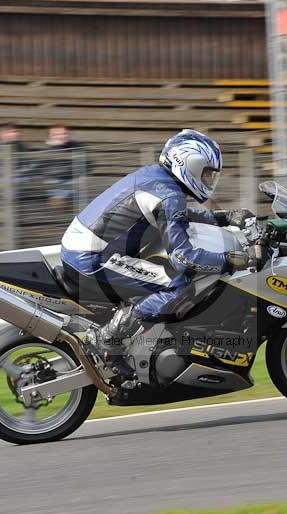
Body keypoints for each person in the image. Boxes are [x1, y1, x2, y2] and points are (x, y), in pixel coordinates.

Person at [60, 129, 253, 379]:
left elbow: (178, 216)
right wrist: (229, 260)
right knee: (180, 284)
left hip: (82, 249)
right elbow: (185, 258)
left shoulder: (157, 178)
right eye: (206, 173)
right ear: (188, 164)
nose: (208, 180)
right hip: (92, 259)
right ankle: (110, 338)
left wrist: (225, 217)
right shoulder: (168, 193)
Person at [38, 123, 87, 209]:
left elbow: (87, 163)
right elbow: (47, 170)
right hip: (56, 183)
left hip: (73, 182)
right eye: (56, 134)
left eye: (63, 133)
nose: (61, 136)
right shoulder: (47, 150)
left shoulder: (75, 146)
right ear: (51, 136)